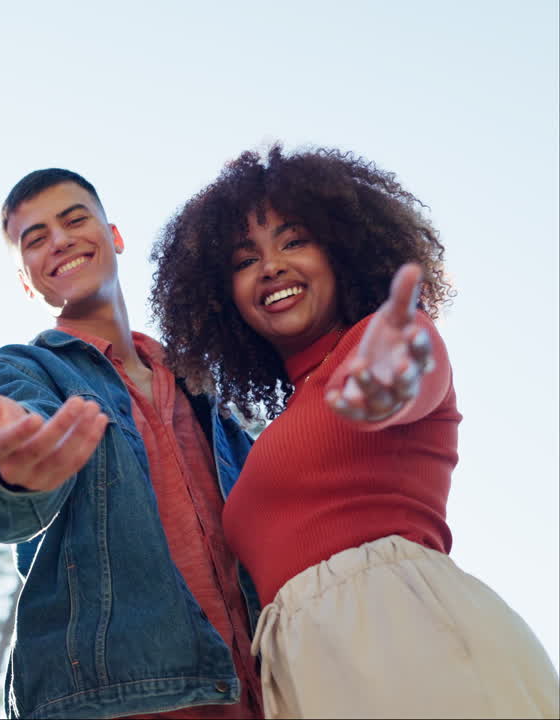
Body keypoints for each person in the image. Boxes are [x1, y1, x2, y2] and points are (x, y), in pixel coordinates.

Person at [148, 145, 559, 718]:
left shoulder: (386, 336)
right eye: (245, 260)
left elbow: (406, 370)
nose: (270, 267)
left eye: (294, 241)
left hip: (403, 638)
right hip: (305, 667)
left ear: (343, 251)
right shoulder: (275, 428)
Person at [0, 169, 262, 719]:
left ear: (114, 236)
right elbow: (3, 493)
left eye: (74, 220)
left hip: (258, 688)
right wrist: (12, 467)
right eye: (36, 238)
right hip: (119, 701)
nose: (61, 240)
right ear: (27, 281)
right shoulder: (24, 368)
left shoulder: (202, 383)